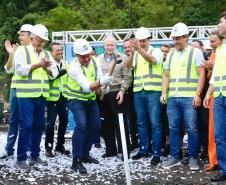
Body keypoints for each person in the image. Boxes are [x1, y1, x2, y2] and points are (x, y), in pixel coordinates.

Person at [160, 22, 205, 171]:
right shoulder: (171, 54)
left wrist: (197, 94)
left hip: (188, 97)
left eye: (178, 38)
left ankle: (192, 157)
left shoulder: (195, 52)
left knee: (192, 129)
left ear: (186, 37)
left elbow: (201, 74)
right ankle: (175, 156)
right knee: (173, 128)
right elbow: (165, 75)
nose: (176, 41)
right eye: (174, 38)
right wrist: (163, 92)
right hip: (173, 98)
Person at [14, 24, 58, 170]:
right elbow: (19, 69)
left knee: (39, 126)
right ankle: (21, 158)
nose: (42, 43)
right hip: (26, 95)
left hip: (41, 95)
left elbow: (55, 73)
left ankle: (35, 155)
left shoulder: (46, 53)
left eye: (44, 40)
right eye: (40, 39)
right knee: (26, 125)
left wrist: (47, 68)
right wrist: (37, 65)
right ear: (32, 38)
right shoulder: (22, 50)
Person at [67, 39, 113, 174]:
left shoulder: (94, 61)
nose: (87, 59)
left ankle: (85, 154)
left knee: (96, 126)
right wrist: (100, 82)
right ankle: (76, 161)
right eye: (83, 57)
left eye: (88, 55)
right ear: (76, 55)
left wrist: (105, 86)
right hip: (75, 99)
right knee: (82, 125)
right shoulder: (73, 67)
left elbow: (99, 78)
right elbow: (87, 87)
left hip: (90, 99)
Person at [126, 27, 164, 165]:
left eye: (144, 41)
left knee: (155, 124)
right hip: (138, 92)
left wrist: (139, 50)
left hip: (153, 91)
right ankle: (143, 149)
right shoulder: (136, 52)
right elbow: (127, 66)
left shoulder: (157, 51)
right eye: (139, 41)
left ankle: (156, 153)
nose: (141, 43)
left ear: (149, 40)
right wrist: (132, 51)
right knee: (141, 123)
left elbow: (153, 61)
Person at [0, 24, 33, 160]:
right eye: (19, 35)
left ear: (31, 36)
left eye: (22, 35)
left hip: (32, 90)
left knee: (30, 121)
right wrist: (11, 54)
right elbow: (9, 69)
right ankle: (9, 149)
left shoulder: (37, 50)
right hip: (16, 89)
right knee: (13, 120)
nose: (19, 37)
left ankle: (31, 149)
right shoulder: (17, 50)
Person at [98, 35, 131, 159]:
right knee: (106, 124)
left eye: (112, 44)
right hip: (102, 95)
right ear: (104, 46)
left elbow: (127, 77)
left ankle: (124, 151)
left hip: (117, 93)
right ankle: (110, 150)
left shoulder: (122, 58)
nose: (110, 47)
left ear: (116, 46)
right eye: (108, 44)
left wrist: (122, 90)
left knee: (120, 123)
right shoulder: (98, 59)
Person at [203, 11, 226, 182]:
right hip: (218, 95)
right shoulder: (221, 48)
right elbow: (217, 75)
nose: (218, 25)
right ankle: (225, 169)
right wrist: (208, 94)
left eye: (221, 22)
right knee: (219, 136)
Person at [45, 42, 70, 157]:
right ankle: (48, 147)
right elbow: (50, 78)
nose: (60, 52)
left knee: (64, 121)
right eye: (57, 50)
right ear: (51, 52)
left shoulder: (65, 63)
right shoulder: (48, 64)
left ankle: (60, 145)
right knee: (50, 124)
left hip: (64, 97)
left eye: (61, 50)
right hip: (52, 97)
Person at [191, 39, 209, 161]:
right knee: (194, 124)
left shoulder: (207, 61)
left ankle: (206, 149)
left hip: (205, 97)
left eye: (197, 48)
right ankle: (196, 149)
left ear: (202, 49)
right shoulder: (191, 61)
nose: (194, 51)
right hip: (192, 96)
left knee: (204, 123)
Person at [123, 38, 138, 151]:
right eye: (125, 47)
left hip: (138, 92)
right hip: (127, 93)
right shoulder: (122, 59)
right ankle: (133, 142)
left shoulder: (139, 57)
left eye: (129, 46)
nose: (127, 49)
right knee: (131, 119)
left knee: (142, 120)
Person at [160, 44, 171, 156]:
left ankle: (172, 146)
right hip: (160, 97)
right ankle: (165, 145)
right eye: (162, 51)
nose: (164, 53)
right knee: (163, 122)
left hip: (170, 97)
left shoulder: (172, 64)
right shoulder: (158, 64)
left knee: (170, 124)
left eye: (166, 51)